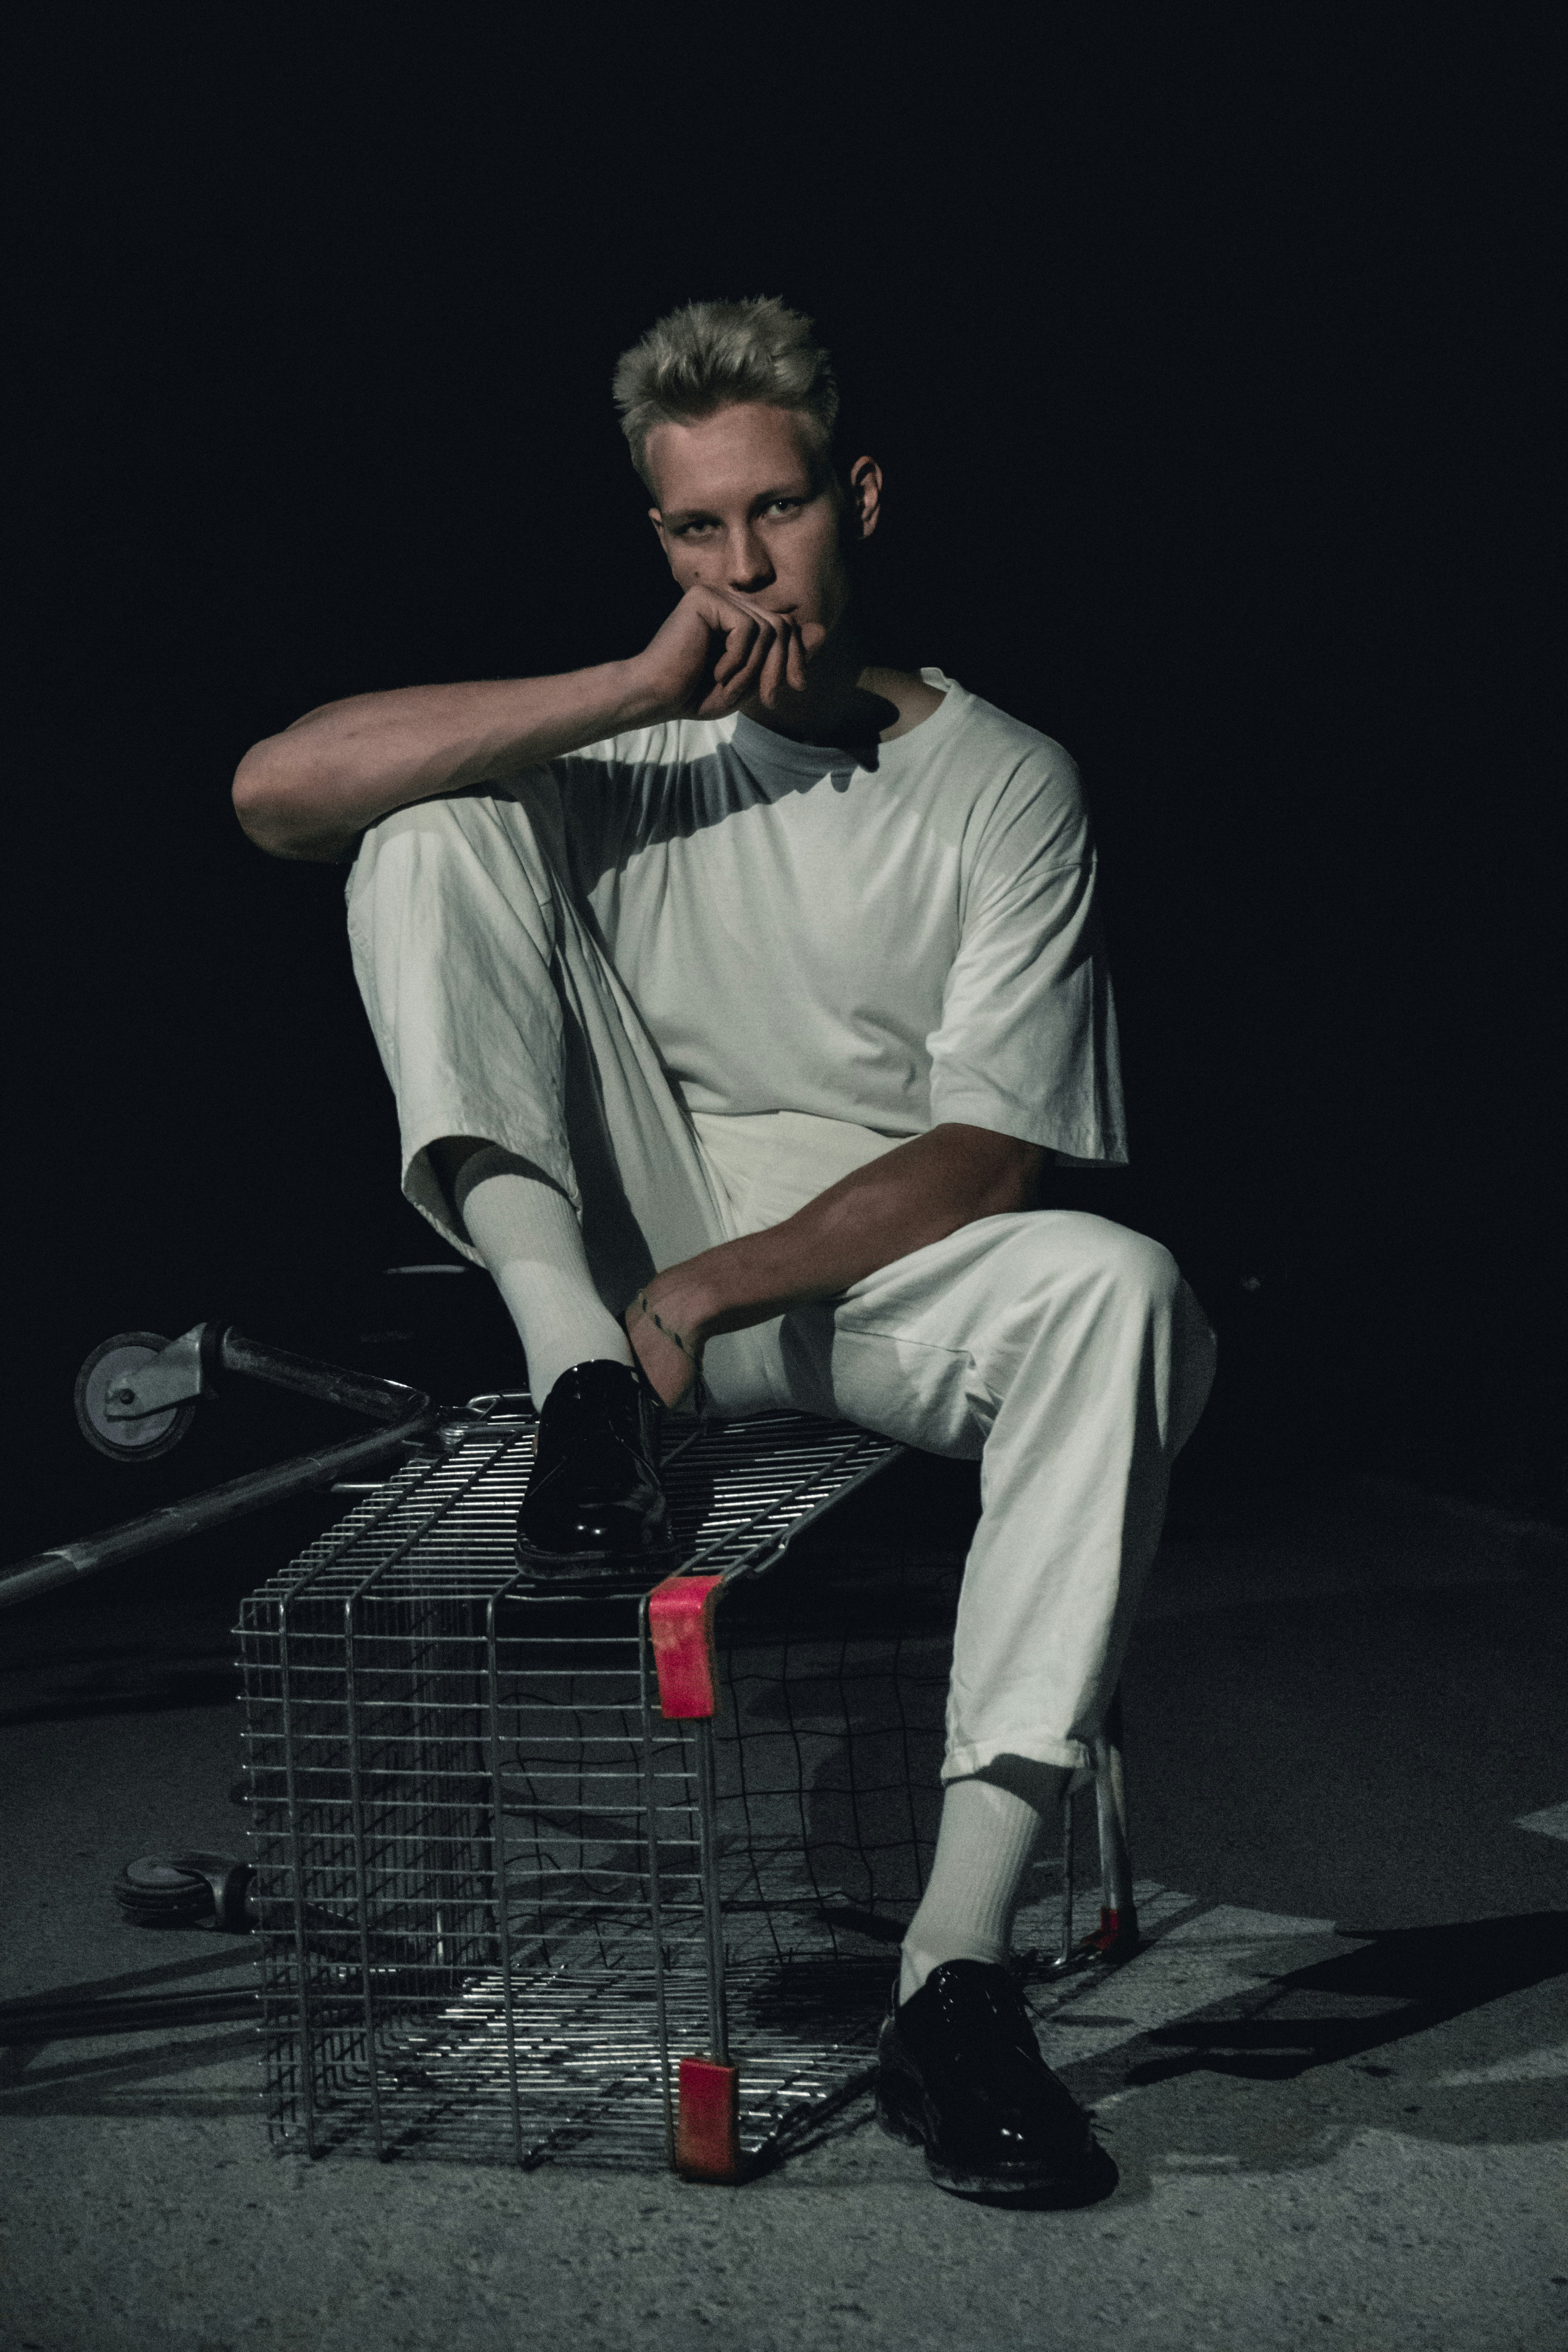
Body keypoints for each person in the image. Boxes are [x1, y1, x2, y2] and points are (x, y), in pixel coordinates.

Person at [232, 295, 1218, 2202]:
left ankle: (950, 1985)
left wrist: (693, 1293)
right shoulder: (623, 740)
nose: (743, 568)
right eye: (695, 530)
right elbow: (277, 789)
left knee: (1124, 1291)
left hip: (838, 1281)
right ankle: (570, 1384)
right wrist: (618, 692)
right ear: (659, 544)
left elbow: (988, 1147)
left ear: (856, 498)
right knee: (421, 834)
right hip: (611, 1280)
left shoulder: (1003, 781)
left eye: (774, 514)